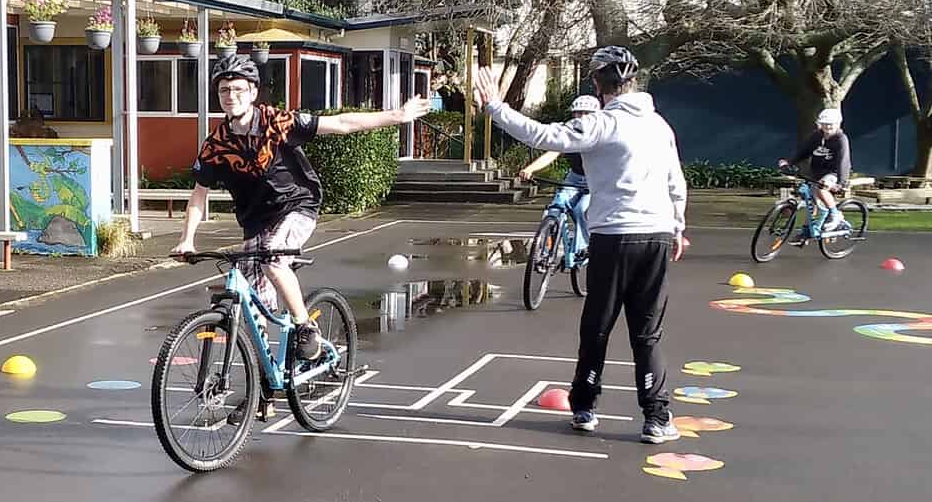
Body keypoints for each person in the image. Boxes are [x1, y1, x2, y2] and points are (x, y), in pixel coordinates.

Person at [172, 54, 430, 415]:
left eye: (238, 89)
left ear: (253, 92)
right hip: (255, 223)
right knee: (253, 315)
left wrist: (396, 116)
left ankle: (304, 328)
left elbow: (340, 124)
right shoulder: (216, 143)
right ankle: (265, 392)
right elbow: (199, 194)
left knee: (275, 258)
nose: (230, 95)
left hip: (298, 207)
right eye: (224, 90)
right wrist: (188, 239)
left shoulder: (277, 121)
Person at [473, 45, 687, 444]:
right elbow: (676, 181)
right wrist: (677, 226)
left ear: (596, 84)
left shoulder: (603, 123)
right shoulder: (660, 125)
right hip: (656, 236)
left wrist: (496, 108)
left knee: (598, 327)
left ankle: (585, 407)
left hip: (614, 236)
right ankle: (657, 418)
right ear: (633, 82)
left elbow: (543, 135)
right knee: (647, 333)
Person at [518, 94, 601, 258]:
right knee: (556, 207)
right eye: (578, 113)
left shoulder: (601, 134)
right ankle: (546, 250)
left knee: (581, 210)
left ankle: (582, 249)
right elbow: (552, 153)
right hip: (574, 177)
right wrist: (530, 169)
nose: (582, 117)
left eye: (587, 113)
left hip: (594, 180)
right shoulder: (570, 133)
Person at [778, 108, 850, 231]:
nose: (827, 127)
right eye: (824, 124)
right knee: (810, 198)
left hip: (833, 173)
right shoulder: (817, 136)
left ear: (838, 124)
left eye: (830, 124)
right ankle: (809, 230)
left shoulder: (841, 139)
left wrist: (840, 183)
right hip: (816, 172)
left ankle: (835, 215)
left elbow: (843, 161)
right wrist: (789, 162)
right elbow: (804, 151)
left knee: (821, 190)